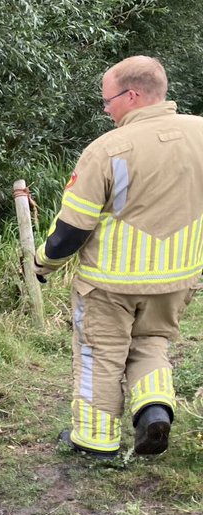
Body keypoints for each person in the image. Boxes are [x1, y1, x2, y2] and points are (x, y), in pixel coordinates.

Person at [34, 55, 203, 459]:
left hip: (110, 283)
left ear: (131, 95)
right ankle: (155, 409)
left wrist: (43, 263)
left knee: (99, 354)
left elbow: (72, 230)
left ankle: (94, 442)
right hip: (178, 276)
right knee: (152, 342)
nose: (106, 109)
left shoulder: (108, 150)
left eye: (108, 100)